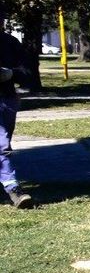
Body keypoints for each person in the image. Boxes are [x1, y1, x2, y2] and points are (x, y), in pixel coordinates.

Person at [1, 24, 35, 209]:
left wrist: (11, 73)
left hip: (7, 101)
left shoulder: (10, 42)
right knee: (1, 145)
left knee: (3, 143)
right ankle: (13, 188)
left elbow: (28, 73)